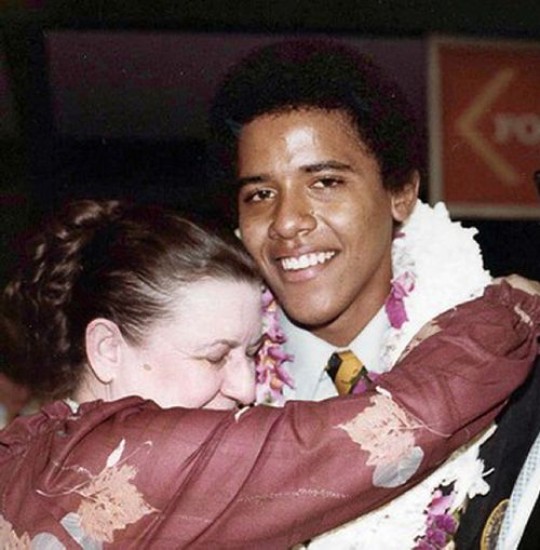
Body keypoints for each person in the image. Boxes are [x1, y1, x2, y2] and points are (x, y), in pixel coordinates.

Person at [0, 199, 538, 548]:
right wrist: (513, 307)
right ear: (107, 350)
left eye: (253, 354)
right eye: (214, 356)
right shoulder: (119, 458)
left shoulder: (32, 454)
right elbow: (391, 427)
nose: (246, 386)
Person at [209, 39, 540, 547]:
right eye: (260, 194)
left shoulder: (510, 369)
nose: (288, 222)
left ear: (401, 193)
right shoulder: (204, 392)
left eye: (324, 183)